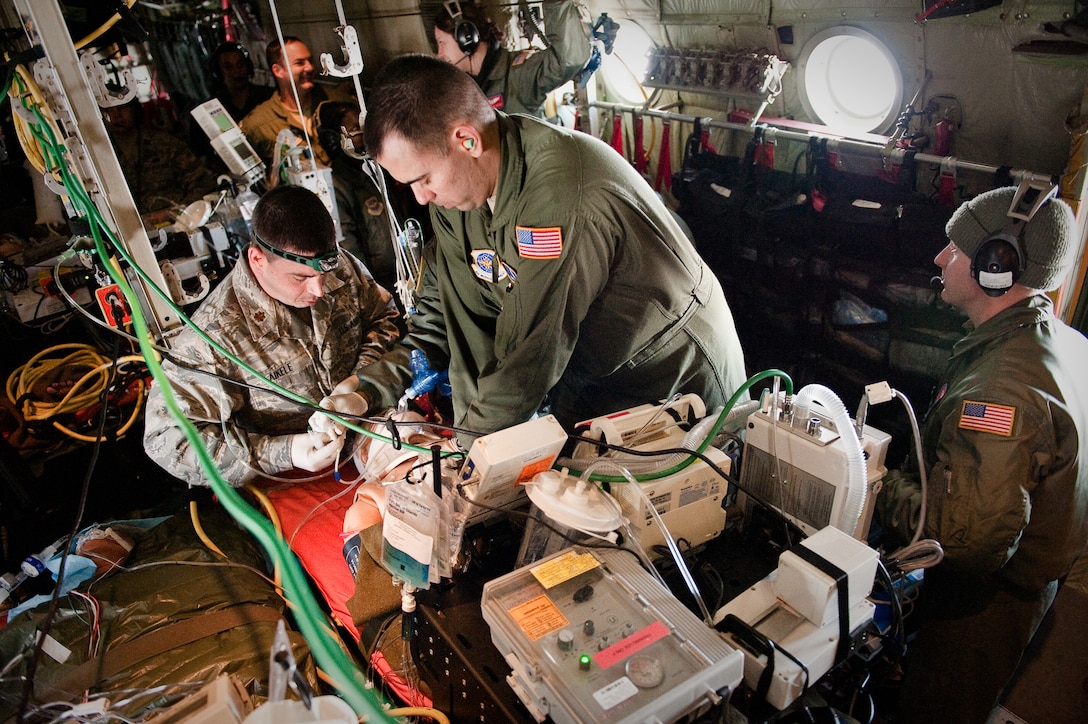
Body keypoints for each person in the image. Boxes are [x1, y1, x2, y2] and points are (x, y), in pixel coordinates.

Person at [352, 54, 748, 442]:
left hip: (670, 373)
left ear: (467, 140)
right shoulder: (457, 198)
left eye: (423, 179)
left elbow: (529, 358)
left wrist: (473, 453)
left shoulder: (561, 199)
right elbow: (449, 318)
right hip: (587, 372)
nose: (421, 199)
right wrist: (366, 390)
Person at [879, 184, 1088, 723]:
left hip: (982, 609)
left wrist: (878, 480)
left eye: (955, 246)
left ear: (997, 266)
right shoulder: (1056, 340)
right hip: (1030, 581)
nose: (940, 257)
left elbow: (960, 538)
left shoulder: (1003, 392)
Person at [142, 185, 401, 486]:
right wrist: (284, 453)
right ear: (258, 260)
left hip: (373, 431)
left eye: (324, 274)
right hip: (290, 479)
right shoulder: (214, 336)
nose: (318, 289)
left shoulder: (335, 266)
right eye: (300, 278)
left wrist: (357, 386)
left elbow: (385, 321)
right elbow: (167, 440)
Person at [315, 100, 427, 293]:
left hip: (415, 266)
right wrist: (370, 288)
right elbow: (348, 247)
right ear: (334, 139)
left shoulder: (382, 168)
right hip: (383, 283)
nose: (366, 134)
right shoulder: (336, 185)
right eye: (355, 129)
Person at [434, 0, 590, 118]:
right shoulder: (462, 89)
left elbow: (569, 59)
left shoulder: (518, 74)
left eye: (442, 43)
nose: (440, 54)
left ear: (466, 38)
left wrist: (556, 3)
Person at [240, 36, 352, 177]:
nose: (310, 68)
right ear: (278, 70)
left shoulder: (340, 104)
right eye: (299, 63)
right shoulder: (259, 125)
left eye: (309, 61)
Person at [104, 98, 218, 213]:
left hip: (178, 218)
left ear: (134, 109)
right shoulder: (100, 156)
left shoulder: (164, 143)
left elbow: (201, 181)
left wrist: (182, 211)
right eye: (108, 110)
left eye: (121, 108)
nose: (116, 116)